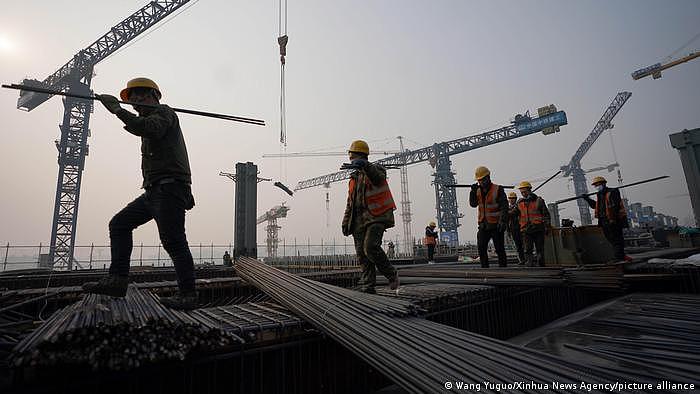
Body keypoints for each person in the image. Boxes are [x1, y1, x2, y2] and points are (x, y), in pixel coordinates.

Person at [82, 78, 198, 310]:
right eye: (132, 101)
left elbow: (150, 129)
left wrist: (117, 110)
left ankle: (188, 295)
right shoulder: (147, 118)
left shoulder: (164, 113)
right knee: (119, 224)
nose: (135, 104)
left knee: (174, 242)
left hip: (168, 188)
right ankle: (117, 280)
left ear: (153, 95)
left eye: (139, 98)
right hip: (155, 190)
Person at [342, 140, 400, 293]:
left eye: (354, 157)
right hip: (359, 220)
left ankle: (391, 274)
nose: (352, 160)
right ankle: (368, 286)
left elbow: (378, 179)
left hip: (376, 216)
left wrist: (365, 166)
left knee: (370, 247)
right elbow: (350, 203)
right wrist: (346, 221)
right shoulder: (353, 179)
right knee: (362, 254)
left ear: (362, 156)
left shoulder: (377, 169)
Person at [581, 176, 630, 263]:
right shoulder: (599, 195)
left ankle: (619, 258)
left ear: (603, 184)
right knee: (611, 239)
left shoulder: (612, 192)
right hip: (604, 221)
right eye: (595, 185)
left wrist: (613, 220)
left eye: (598, 184)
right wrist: (587, 199)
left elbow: (615, 207)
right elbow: (595, 206)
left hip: (613, 221)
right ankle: (620, 256)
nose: (596, 187)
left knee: (617, 239)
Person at [469, 166, 508, 268]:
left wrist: (503, 221)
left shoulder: (498, 189)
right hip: (483, 226)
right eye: (479, 180)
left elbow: (504, 207)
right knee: (481, 248)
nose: (481, 182)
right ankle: (485, 270)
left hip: (496, 225)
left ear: (488, 177)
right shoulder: (477, 190)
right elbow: (473, 204)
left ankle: (503, 270)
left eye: (482, 179)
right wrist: (472, 192)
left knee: (499, 249)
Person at [513, 181, 551, 267]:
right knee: (528, 249)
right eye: (521, 192)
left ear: (530, 190)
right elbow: (513, 213)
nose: (523, 194)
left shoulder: (538, 201)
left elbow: (546, 215)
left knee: (539, 248)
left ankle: (541, 263)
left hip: (538, 228)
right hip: (526, 229)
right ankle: (529, 264)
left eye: (525, 192)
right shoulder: (520, 203)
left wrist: (547, 227)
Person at [506, 192, 525, 265]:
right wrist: (508, 230)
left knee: (524, 245)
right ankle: (522, 260)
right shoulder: (508, 208)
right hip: (513, 229)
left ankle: (525, 259)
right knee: (518, 245)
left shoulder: (519, 207)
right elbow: (507, 221)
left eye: (513, 198)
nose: (511, 200)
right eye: (510, 198)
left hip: (521, 227)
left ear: (515, 199)